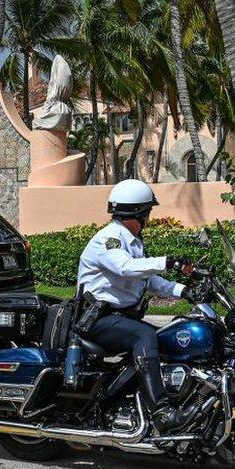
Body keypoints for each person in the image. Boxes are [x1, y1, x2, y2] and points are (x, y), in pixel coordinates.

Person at [76, 179, 198, 434]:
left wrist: (185, 291)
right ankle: (162, 413)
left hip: (119, 319)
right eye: (147, 213)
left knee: (170, 337)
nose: (149, 218)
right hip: (98, 320)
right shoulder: (108, 240)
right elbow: (125, 267)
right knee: (145, 335)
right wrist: (169, 261)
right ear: (137, 213)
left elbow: (148, 279)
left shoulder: (132, 241)